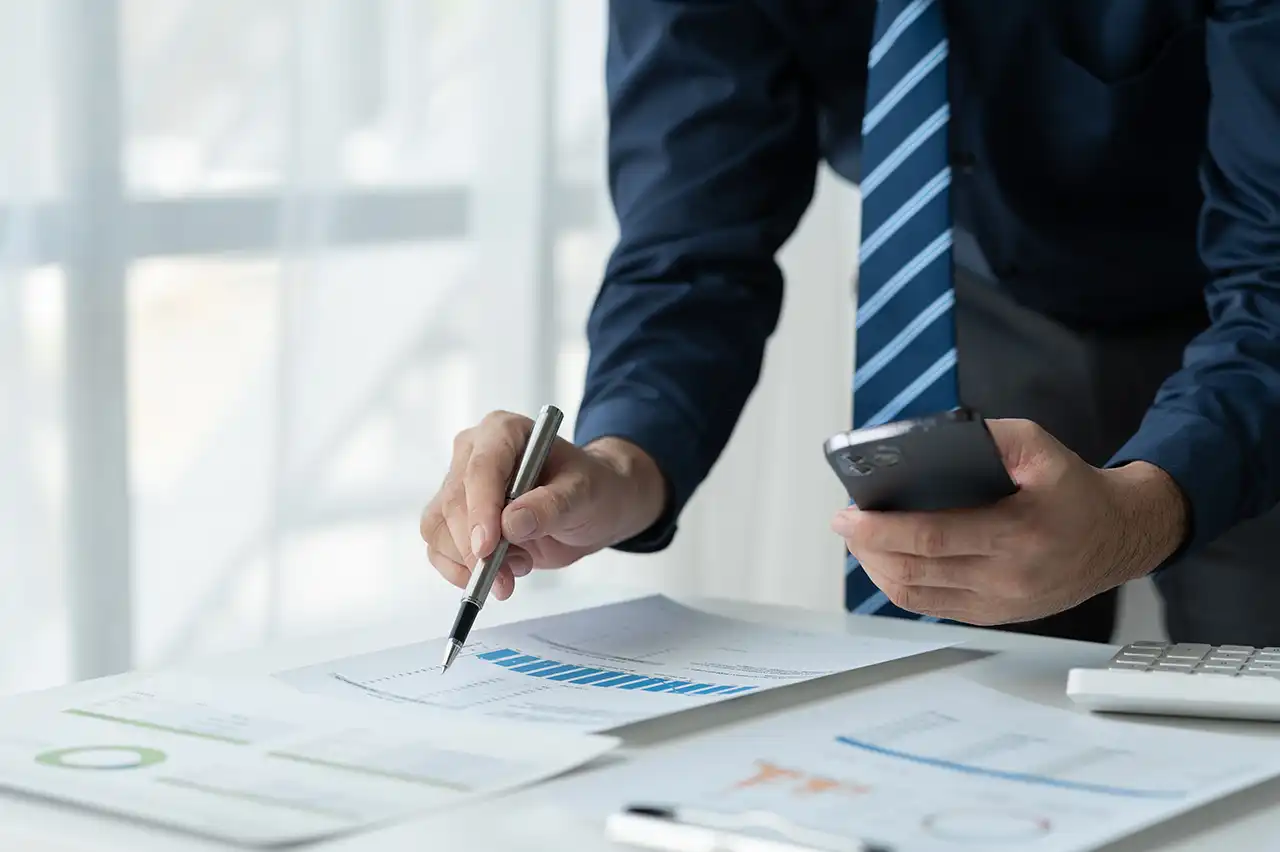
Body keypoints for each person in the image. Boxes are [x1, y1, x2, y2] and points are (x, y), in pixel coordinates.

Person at [422, 0, 1280, 646]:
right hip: (981, 295)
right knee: (966, 725)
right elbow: (689, 245)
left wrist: (1149, 508)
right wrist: (616, 464)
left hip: (1251, 311)